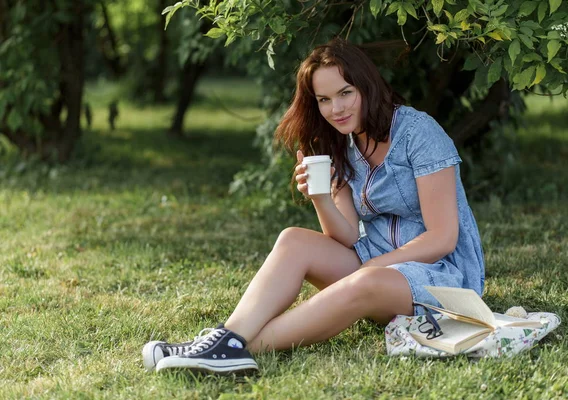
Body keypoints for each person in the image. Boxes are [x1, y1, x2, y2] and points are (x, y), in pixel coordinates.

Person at [141, 37, 485, 375]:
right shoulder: (343, 143)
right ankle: (227, 339)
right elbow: (347, 236)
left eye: (345, 93)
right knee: (294, 239)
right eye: (324, 99)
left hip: (443, 278)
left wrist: (373, 268)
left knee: (363, 283)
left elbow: (442, 238)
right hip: (375, 265)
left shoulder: (418, 132)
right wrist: (320, 197)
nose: (336, 108)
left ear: (367, 87)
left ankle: (230, 348)